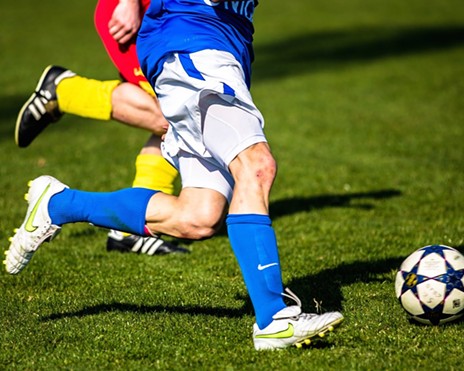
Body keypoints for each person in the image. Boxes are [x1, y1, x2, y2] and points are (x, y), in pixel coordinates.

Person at [4, 0, 343, 350]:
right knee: (256, 166)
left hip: (221, 46)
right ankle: (273, 318)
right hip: (192, 41)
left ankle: (59, 204)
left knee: (199, 217)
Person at [15, 0, 188, 255]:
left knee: (181, 116)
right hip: (137, 13)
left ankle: (131, 229)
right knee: (175, 117)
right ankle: (65, 91)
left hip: (171, 17)